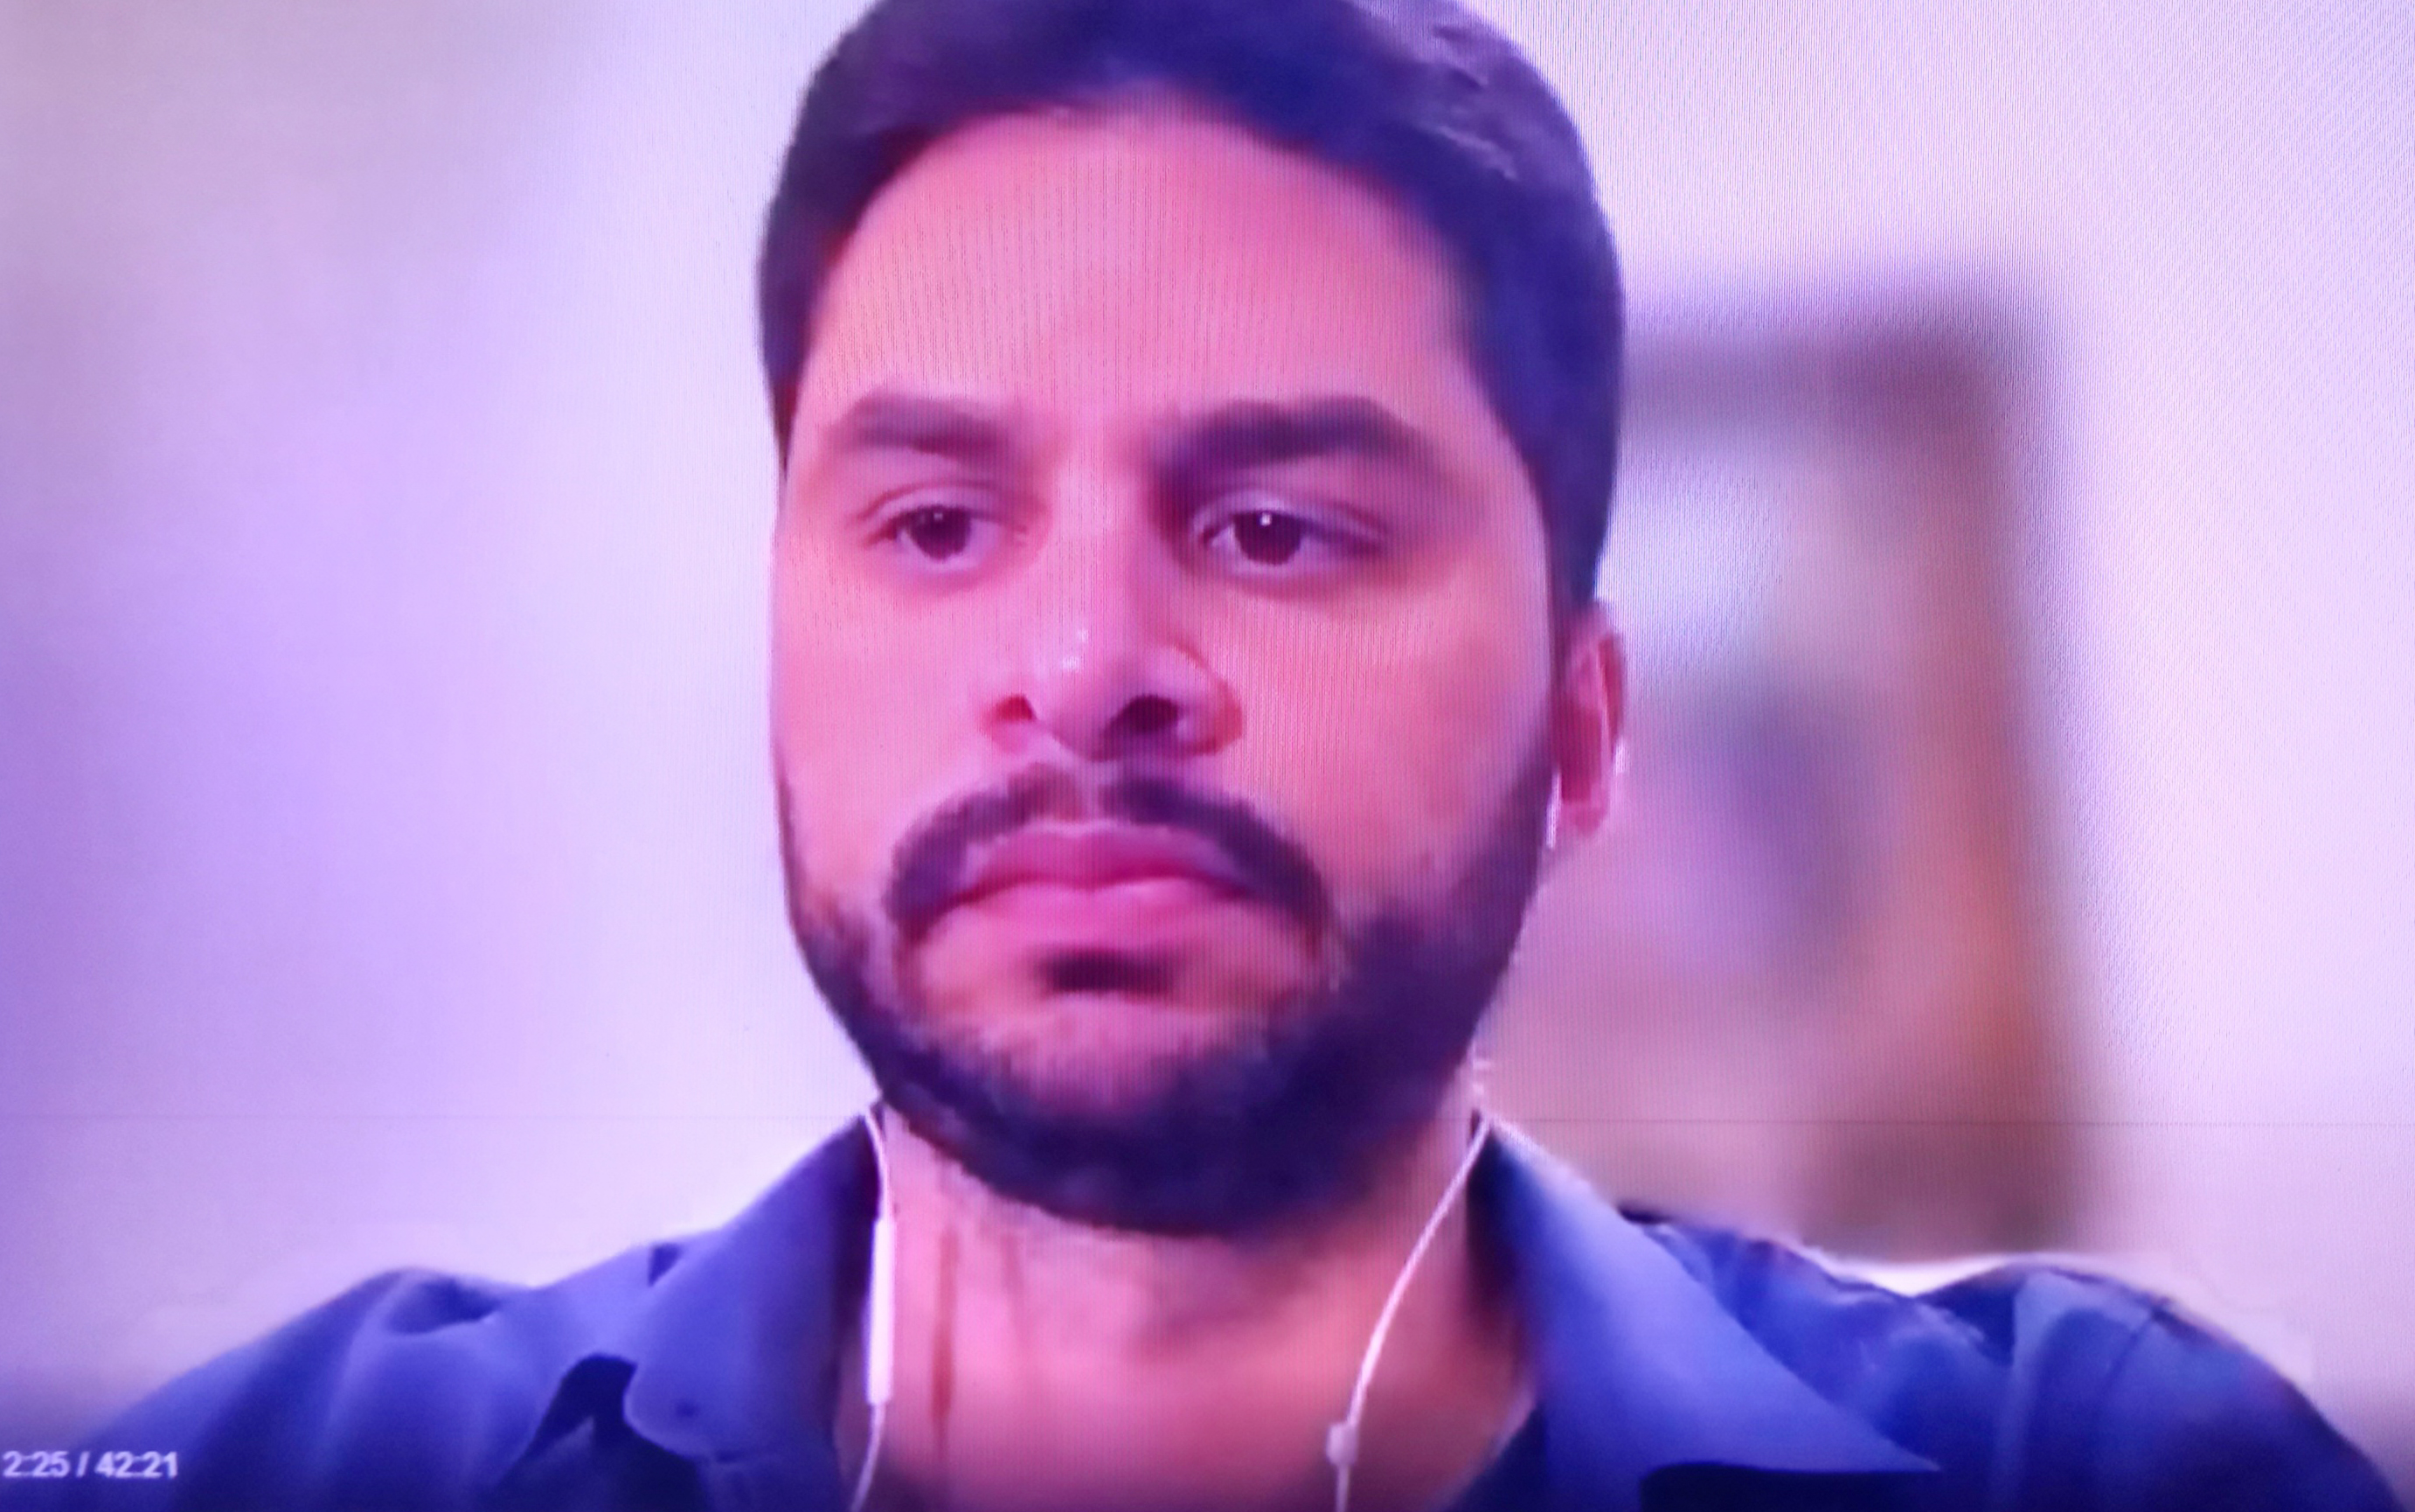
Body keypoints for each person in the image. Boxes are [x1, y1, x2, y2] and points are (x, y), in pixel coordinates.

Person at [24, 1, 2399, 1509]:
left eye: (1275, 526)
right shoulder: (286, 1465)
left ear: (1579, 732)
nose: (1083, 669)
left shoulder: (2095, 1468)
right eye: (935, 521)